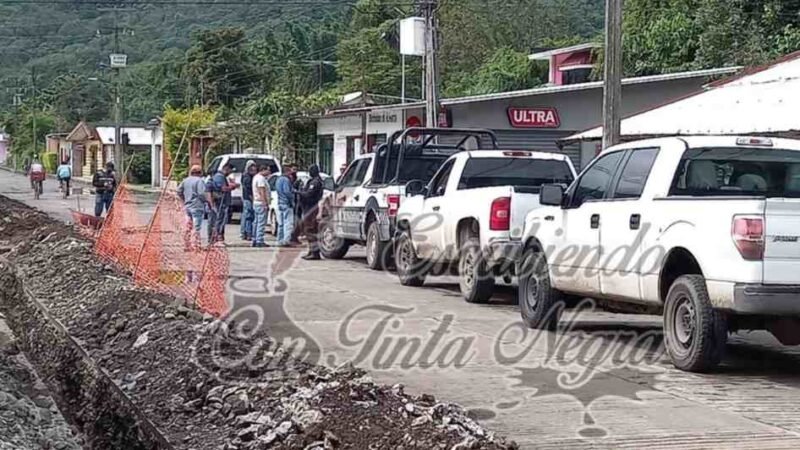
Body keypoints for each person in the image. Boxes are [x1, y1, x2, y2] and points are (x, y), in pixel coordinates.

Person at [207, 163, 240, 244]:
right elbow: (223, 188)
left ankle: (217, 237)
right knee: (217, 221)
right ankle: (215, 238)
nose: (230, 173)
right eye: (230, 171)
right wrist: (233, 187)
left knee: (220, 220)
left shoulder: (222, 177)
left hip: (222, 202)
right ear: (226, 169)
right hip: (219, 202)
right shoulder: (219, 177)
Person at [177, 165, 207, 247]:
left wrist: (184, 199)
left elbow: (179, 191)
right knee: (196, 227)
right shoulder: (199, 181)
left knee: (188, 225)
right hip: (197, 206)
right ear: (200, 173)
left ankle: (186, 243)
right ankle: (195, 244)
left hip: (187, 206)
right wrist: (206, 200)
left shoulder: (185, 180)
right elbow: (201, 193)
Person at [298, 164, 324, 260]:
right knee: (308, 231)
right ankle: (311, 251)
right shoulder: (312, 181)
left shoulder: (316, 182)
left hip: (311, 208)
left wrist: (299, 193)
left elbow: (309, 194)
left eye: (310, 170)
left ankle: (315, 252)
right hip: (308, 208)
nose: (309, 172)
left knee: (311, 230)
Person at [251, 164, 272, 248]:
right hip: (260, 203)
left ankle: (255, 239)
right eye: (268, 170)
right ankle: (259, 240)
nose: (269, 172)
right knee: (261, 222)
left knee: (256, 222)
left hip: (256, 202)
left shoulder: (256, 177)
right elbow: (261, 191)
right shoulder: (261, 179)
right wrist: (265, 203)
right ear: (263, 170)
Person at [275, 164, 296, 246]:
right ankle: (286, 240)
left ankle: (280, 240)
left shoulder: (278, 179)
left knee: (281, 223)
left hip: (280, 202)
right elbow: (287, 192)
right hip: (286, 203)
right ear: (287, 172)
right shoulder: (286, 180)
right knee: (288, 223)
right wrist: (291, 200)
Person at [239, 160, 257, 241]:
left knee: (246, 216)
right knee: (248, 216)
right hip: (248, 199)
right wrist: (252, 198)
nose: (254, 169)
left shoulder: (247, 176)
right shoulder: (247, 177)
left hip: (247, 198)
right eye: (253, 167)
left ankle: (245, 233)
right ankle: (247, 233)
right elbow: (248, 189)